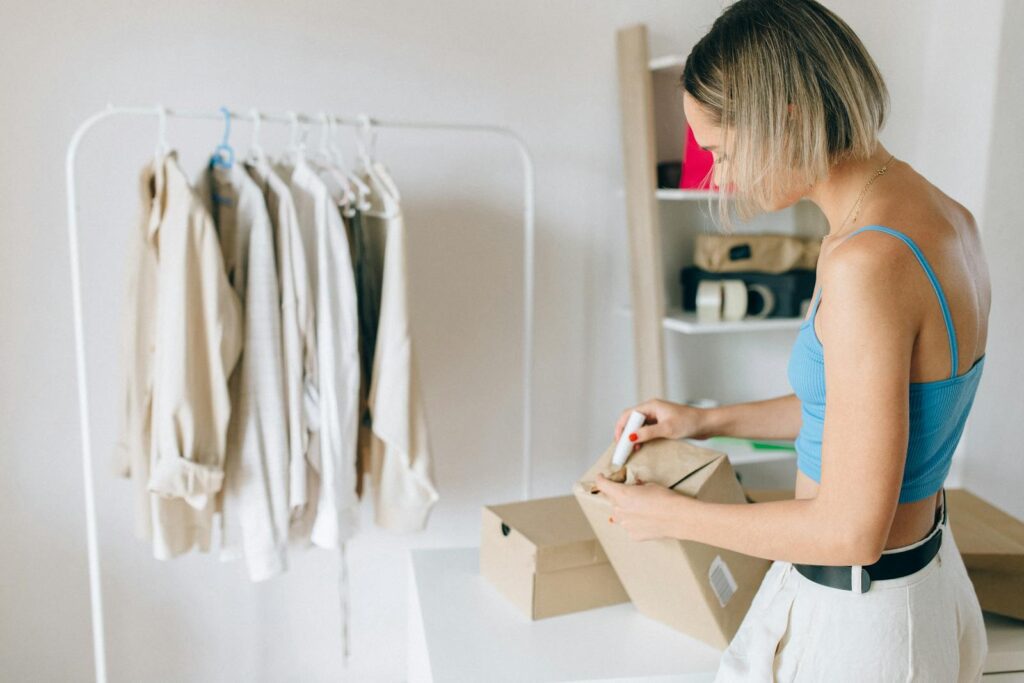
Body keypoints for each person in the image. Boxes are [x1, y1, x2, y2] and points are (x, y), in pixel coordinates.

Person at [591, 0, 991, 680]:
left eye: (721, 149)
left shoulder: (866, 259)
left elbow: (849, 532)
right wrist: (707, 419)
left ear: (789, 115)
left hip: (862, 622)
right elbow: (855, 407)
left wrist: (669, 516)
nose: (719, 175)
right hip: (913, 583)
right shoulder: (941, 216)